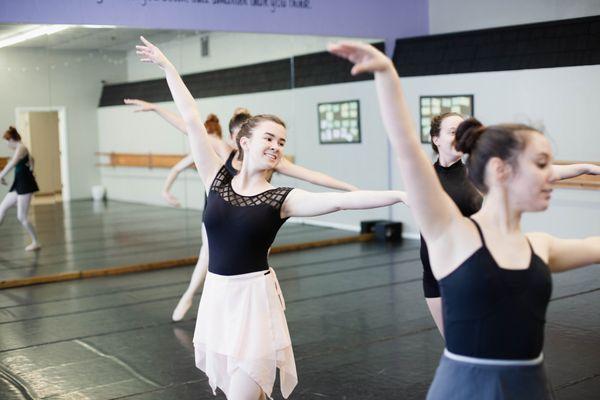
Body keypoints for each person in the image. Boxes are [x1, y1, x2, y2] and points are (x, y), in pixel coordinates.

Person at [137, 36, 407, 400]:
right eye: (269, 138)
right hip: (218, 299)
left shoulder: (281, 199)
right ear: (244, 142)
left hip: (254, 301)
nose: (277, 146)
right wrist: (168, 67)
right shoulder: (214, 177)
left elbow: (340, 202)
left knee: (243, 393)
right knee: (250, 391)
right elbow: (190, 116)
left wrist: (404, 196)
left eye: (281, 141)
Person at [328, 41, 599, 399]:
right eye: (541, 164)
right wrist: (387, 74)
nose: (551, 175)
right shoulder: (452, 235)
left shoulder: (540, 246)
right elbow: (406, 147)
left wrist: (583, 168)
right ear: (502, 170)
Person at [124, 103, 360, 322]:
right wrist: (157, 109)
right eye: (236, 136)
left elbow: (314, 176)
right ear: (234, 138)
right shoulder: (225, 150)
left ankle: (255, 307)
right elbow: (190, 128)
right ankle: (189, 295)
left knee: (253, 264)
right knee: (208, 254)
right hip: (219, 213)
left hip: (252, 221)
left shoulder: (271, 159)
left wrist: (350, 190)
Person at [422, 112, 600, 337]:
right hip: (436, 267)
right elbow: (406, 150)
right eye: (451, 131)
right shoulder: (427, 178)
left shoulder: (475, 172)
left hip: (473, 260)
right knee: (455, 343)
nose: (458, 136)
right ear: (436, 139)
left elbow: (535, 174)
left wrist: (587, 168)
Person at [0, 126, 41, 251]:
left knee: (21, 217)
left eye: (7, 141)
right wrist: (32, 169)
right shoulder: (20, 149)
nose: (7, 144)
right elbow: (32, 158)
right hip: (18, 184)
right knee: (1, 208)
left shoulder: (21, 147)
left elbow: (12, 163)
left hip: (25, 186)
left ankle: (36, 242)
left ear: (12, 139)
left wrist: (0, 175)